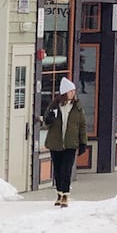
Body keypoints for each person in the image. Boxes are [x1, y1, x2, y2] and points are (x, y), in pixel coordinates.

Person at [41, 77, 87, 207]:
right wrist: (49, 119)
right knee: (58, 169)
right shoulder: (54, 106)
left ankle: (66, 195)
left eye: (74, 91)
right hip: (55, 143)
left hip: (70, 144)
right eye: (70, 91)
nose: (73, 93)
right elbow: (46, 122)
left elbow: (82, 125)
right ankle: (59, 193)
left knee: (66, 169)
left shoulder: (77, 107)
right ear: (64, 92)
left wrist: (83, 142)